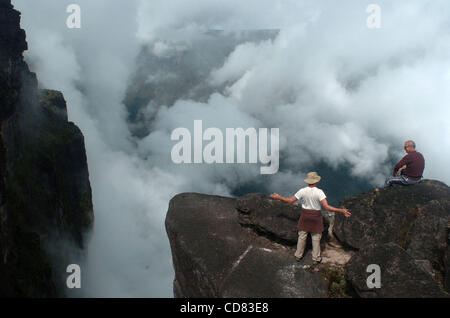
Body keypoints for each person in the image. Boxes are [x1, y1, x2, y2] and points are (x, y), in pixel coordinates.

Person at [270, 172, 351, 264]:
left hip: (305, 216)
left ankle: (298, 255)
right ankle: (316, 258)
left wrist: (278, 197)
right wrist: (342, 211)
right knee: (316, 238)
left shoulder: (302, 191)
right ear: (316, 181)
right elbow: (327, 207)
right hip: (316, 217)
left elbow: (290, 201)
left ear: (308, 181)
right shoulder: (319, 192)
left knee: (302, 236)